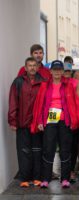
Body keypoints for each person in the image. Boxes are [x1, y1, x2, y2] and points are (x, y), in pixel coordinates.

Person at [31, 60, 79, 188]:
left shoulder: (69, 85)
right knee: (49, 149)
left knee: (65, 150)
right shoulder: (45, 86)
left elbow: (74, 103)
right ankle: (46, 179)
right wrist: (40, 121)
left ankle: (65, 179)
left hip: (65, 120)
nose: (58, 72)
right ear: (51, 71)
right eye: (55, 69)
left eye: (60, 69)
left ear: (63, 71)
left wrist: (74, 120)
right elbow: (40, 105)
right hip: (50, 120)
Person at [8, 57, 45, 187]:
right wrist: (13, 120)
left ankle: (37, 177)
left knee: (37, 151)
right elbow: (13, 102)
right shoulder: (18, 82)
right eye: (29, 65)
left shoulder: (43, 82)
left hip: (37, 125)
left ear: (38, 67)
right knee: (23, 151)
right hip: (22, 123)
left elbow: (46, 104)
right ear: (25, 67)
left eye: (34, 65)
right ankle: (24, 178)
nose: (32, 68)